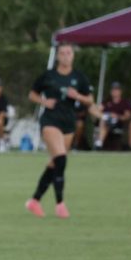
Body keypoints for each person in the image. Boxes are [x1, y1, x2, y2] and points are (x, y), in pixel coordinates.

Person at [25, 44, 93, 219]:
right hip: (50, 121)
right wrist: (44, 102)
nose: (65, 56)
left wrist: (77, 96)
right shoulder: (49, 76)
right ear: (57, 57)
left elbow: (89, 100)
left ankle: (34, 200)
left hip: (68, 123)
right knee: (61, 159)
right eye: (62, 53)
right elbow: (32, 94)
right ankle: (60, 203)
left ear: (73, 56)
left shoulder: (79, 77)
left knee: (55, 164)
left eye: (68, 53)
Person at [93, 81, 131, 150]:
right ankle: (105, 118)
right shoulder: (107, 101)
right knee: (103, 118)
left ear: (120, 91)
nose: (114, 92)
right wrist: (104, 114)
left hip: (117, 123)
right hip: (105, 121)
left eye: (116, 90)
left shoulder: (124, 103)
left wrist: (117, 116)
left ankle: (99, 143)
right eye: (113, 90)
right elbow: (97, 110)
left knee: (105, 120)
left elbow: (127, 116)